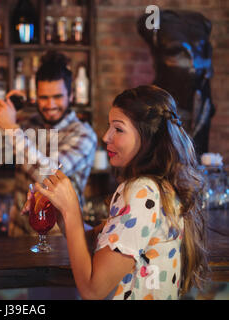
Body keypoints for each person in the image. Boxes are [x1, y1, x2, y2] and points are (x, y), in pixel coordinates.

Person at [28, 85, 209, 299]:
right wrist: (62, 212)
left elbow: (93, 290)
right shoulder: (158, 187)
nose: (106, 137)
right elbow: (100, 247)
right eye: (109, 127)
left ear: (148, 138)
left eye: (118, 129)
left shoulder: (142, 192)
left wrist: (71, 211)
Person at [0, 50, 97, 237]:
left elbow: (49, 174)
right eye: (43, 97)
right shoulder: (26, 126)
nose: (50, 105)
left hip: (59, 239)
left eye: (57, 97)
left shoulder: (83, 134)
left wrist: (10, 127)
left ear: (71, 95)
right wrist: (5, 117)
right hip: (19, 234)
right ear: (36, 96)